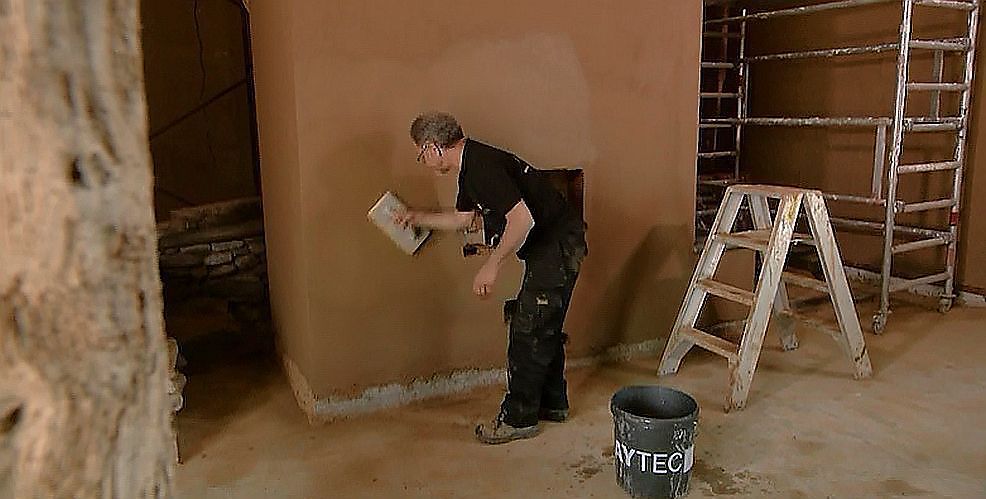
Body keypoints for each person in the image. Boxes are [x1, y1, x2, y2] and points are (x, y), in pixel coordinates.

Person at [397, 112, 587, 444]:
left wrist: (492, 265)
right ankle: (553, 404)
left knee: (527, 330)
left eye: (421, 155)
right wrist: (417, 217)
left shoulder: (482, 167)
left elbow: (522, 220)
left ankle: (518, 419)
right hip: (554, 244)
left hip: (558, 245)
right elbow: (465, 219)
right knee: (541, 324)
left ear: (432, 147)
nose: (424, 162)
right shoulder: (472, 165)